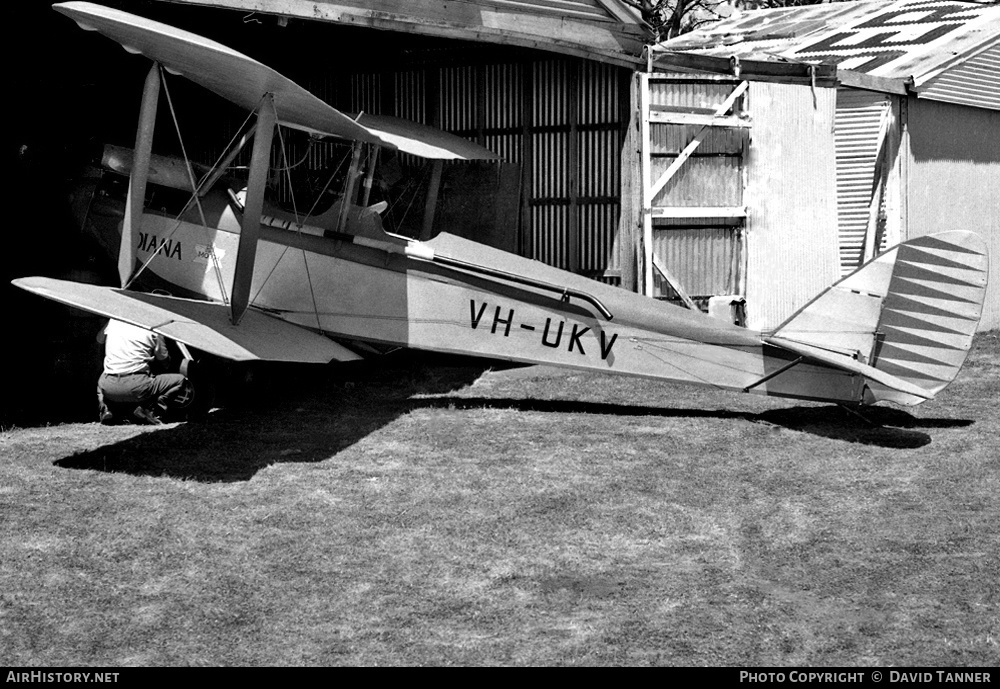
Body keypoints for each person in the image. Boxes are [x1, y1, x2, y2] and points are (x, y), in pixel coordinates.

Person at [97, 319, 190, 425]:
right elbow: (163, 359)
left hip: (108, 386)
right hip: (137, 386)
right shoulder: (153, 327)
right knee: (180, 380)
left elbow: (99, 340)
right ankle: (152, 410)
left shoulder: (114, 321)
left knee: (102, 378)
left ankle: (106, 409)